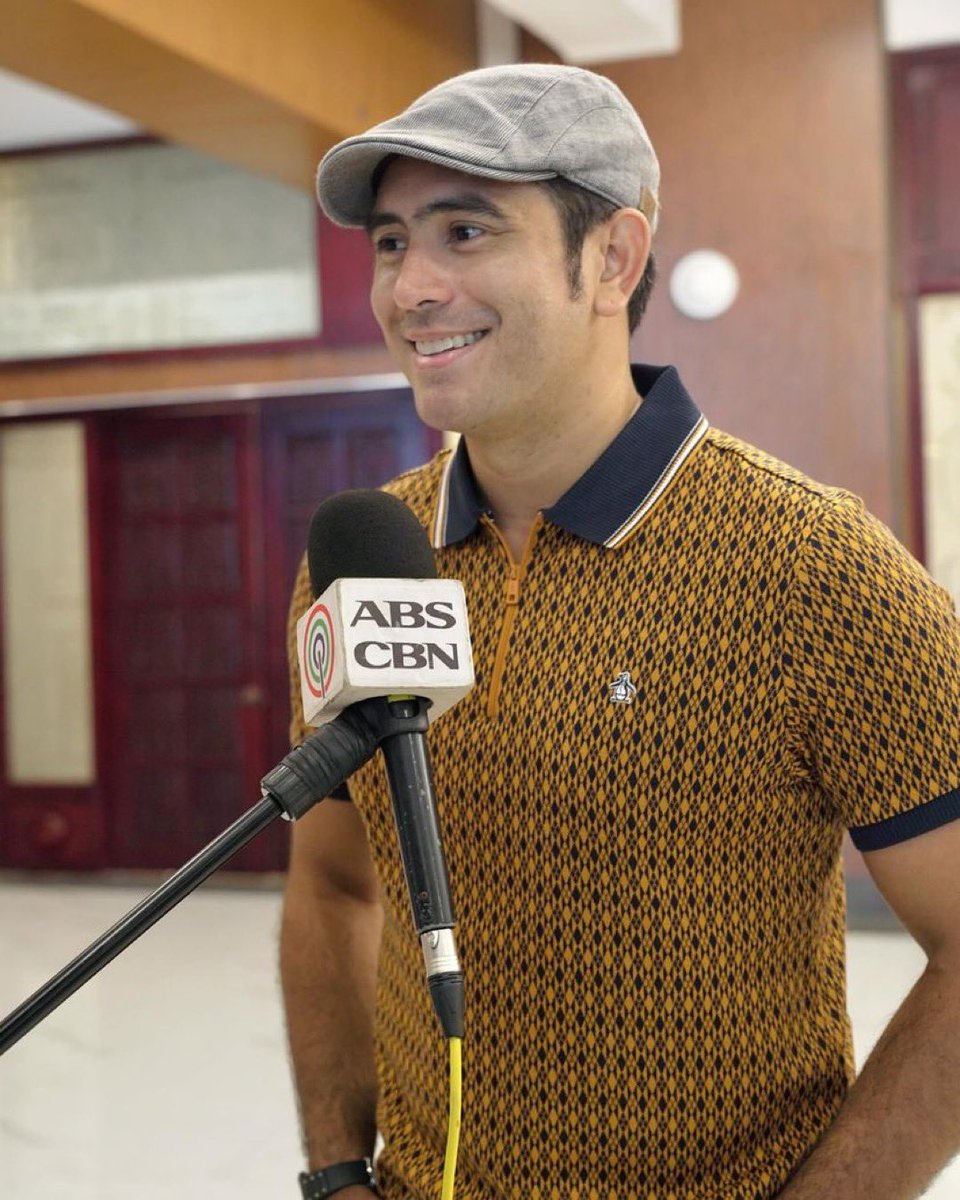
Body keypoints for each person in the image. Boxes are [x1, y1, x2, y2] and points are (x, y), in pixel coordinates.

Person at [280, 63, 960, 1200]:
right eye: (392, 243)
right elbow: (336, 887)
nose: (411, 289)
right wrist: (339, 1169)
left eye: (465, 230)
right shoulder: (363, 554)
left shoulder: (813, 570)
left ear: (614, 258)